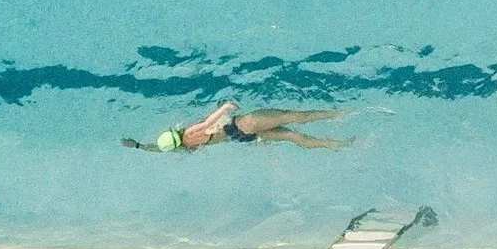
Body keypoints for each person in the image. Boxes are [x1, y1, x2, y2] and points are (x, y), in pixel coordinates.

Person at [121, 101, 347, 153]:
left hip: (241, 137)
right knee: (294, 117)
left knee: (293, 137)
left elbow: (158, 150)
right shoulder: (189, 132)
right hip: (244, 124)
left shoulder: (186, 148)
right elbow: (209, 123)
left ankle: (336, 144)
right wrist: (225, 108)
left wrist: (140, 146)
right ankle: (339, 114)